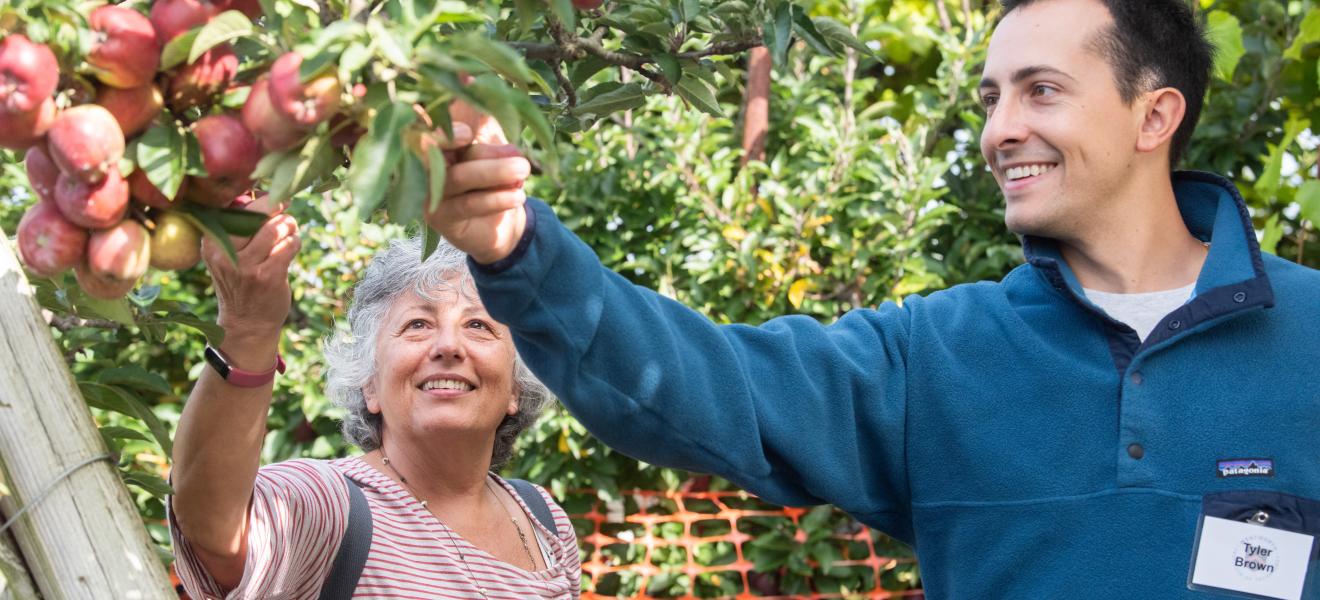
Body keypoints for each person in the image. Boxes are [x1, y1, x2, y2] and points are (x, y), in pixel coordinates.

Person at [429, 0, 1320, 597]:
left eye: (1041, 90)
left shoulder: (1310, 336)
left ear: (1153, 117)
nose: (1000, 130)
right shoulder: (935, 357)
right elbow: (699, 382)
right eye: (991, 97)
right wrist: (516, 248)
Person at [168, 192, 581, 598]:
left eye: (478, 326)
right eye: (418, 324)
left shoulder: (543, 519)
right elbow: (212, 525)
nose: (449, 346)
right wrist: (248, 328)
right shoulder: (330, 505)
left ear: (516, 386)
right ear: (369, 383)